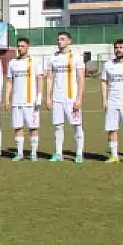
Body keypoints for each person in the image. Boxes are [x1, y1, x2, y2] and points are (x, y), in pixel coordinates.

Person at [45, 31, 86, 163]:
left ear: (69, 41)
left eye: (62, 39)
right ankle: (58, 153)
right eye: (58, 39)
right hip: (57, 98)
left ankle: (79, 153)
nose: (59, 41)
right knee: (58, 126)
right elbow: (50, 78)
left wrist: (79, 98)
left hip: (71, 98)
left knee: (77, 125)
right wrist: (48, 97)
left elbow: (81, 78)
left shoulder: (77, 57)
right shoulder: (53, 58)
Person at [4, 37, 44, 162]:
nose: (20, 48)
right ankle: (20, 153)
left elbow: (40, 79)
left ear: (28, 47)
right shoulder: (12, 63)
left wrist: (39, 96)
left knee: (33, 127)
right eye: (19, 46)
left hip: (30, 101)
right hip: (17, 101)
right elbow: (9, 81)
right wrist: (7, 98)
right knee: (18, 127)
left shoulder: (35, 61)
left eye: (22, 46)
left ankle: (33, 153)